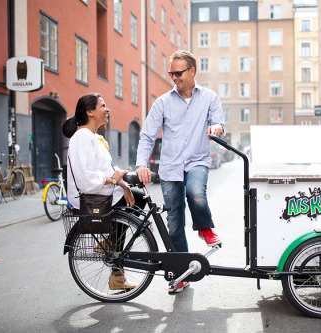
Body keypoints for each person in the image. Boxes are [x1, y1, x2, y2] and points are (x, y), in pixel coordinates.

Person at [135, 50, 225, 293]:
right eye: (171, 73)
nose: (174, 77)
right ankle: (181, 273)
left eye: (178, 73)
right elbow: (147, 135)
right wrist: (141, 164)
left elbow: (218, 123)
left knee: (196, 192)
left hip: (197, 160)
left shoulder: (209, 97)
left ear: (192, 71)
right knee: (174, 223)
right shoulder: (163, 102)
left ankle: (205, 228)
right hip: (170, 168)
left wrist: (216, 129)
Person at [62, 93, 144, 290]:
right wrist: (118, 182)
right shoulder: (82, 137)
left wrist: (122, 181)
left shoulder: (92, 137)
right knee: (137, 201)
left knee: (138, 200)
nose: (108, 109)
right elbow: (87, 178)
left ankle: (115, 265)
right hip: (90, 196)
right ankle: (113, 256)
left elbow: (104, 168)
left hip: (101, 191)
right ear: (90, 112)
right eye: (103, 106)